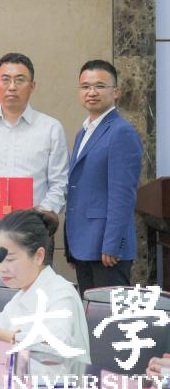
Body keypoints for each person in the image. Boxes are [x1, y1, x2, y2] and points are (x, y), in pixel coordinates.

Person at [0, 53, 69, 275]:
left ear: (32, 86)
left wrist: (42, 213)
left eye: (20, 80)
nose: (12, 86)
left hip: (34, 230)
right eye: (5, 79)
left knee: (34, 292)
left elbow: (60, 182)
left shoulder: (50, 128)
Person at [0, 209, 90, 364]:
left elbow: (55, 347)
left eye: (10, 259)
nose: (0, 268)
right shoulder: (22, 294)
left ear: (38, 256)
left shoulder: (62, 294)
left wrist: (0, 334)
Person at [65, 59, 142, 294]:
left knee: (110, 314)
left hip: (106, 250)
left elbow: (123, 194)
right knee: (90, 312)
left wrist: (112, 244)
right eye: (85, 86)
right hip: (84, 244)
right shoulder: (83, 132)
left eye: (100, 86)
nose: (92, 92)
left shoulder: (121, 132)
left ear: (116, 92)